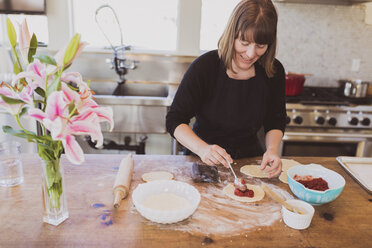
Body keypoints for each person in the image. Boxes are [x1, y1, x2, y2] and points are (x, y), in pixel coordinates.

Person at [166, 0, 286, 178]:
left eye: (260, 46)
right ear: (232, 35)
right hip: (203, 161)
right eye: (244, 42)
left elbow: (275, 121)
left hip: (251, 163)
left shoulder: (273, 71)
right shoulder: (205, 67)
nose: (251, 54)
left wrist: (272, 150)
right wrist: (203, 149)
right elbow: (175, 119)